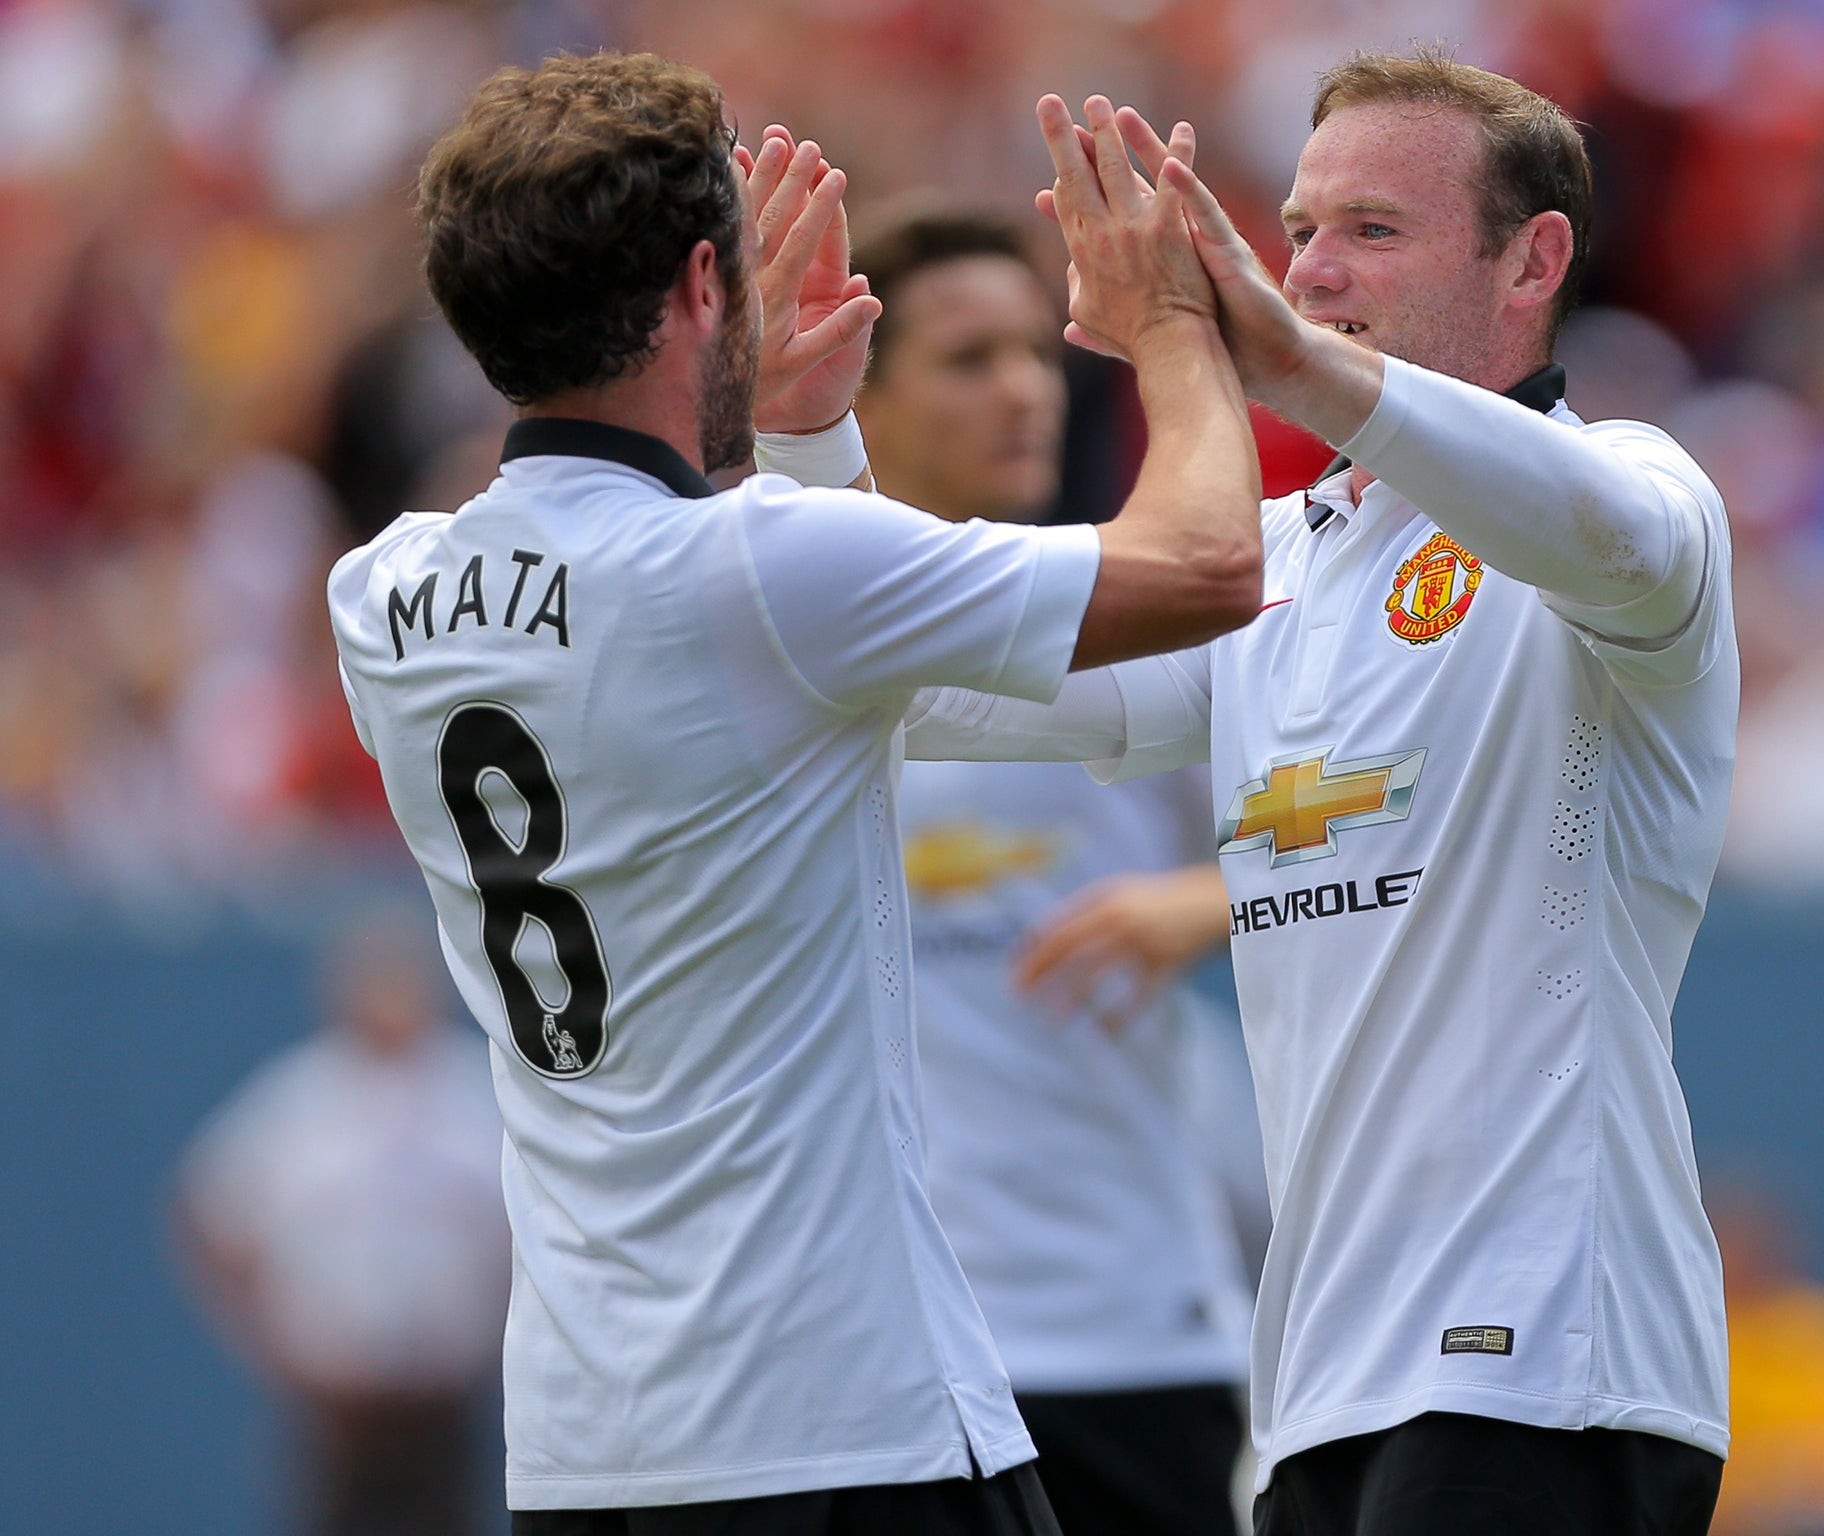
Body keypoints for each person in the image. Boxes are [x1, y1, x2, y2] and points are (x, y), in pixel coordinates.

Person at [325, 52, 1263, 1536]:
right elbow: (1212, 566)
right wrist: (1171, 327)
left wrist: (787, 441)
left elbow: (707, 665)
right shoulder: (760, 568)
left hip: (589, 1440)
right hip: (844, 1422)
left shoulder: (381, 592)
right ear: (708, 281)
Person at [908, 48, 1737, 1536]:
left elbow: (1611, 537)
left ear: (1532, 259)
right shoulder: (1278, 565)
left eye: (1374, 230)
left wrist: (1283, 365)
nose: (1310, 270)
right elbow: (933, 688)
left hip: (1547, 1359)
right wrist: (797, 440)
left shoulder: (1633, 487)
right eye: (1301, 229)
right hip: (1319, 1389)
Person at [855, 206, 1249, 1536]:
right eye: (969, 359)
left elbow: (1358, 823)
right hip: (881, 1352)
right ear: (854, 388)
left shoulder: (1135, 619)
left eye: (1036, 353)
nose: (1023, 389)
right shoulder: (774, 632)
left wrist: (1207, 898)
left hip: (1126, 1320)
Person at [177, 912, 509, 1536]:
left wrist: (496, 1336)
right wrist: (273, 1345)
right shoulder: (300, 1098)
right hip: (334, 1413)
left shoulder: (478, 1092)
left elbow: (530, 1232)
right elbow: (207, 1220)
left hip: (448, 1404)